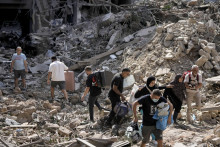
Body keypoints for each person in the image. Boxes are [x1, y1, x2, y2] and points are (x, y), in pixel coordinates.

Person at [134, 76, 173, 144]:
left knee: (155, 123)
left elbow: (160, 88)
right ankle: (144, 136)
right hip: (144, 108)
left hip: (155, 109)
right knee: (147, 123)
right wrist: (139, 90)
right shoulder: (144, 89)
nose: (153, 84)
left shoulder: (155, 89)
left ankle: (154, 138)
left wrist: (166, 86)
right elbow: (136, 96)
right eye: (152, 82)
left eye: (154, 82)